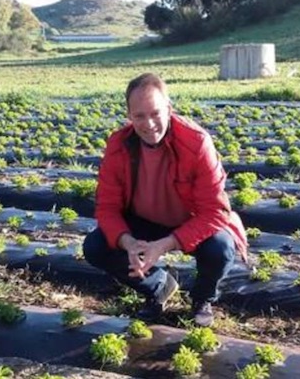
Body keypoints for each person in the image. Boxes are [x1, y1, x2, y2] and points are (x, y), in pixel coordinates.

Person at [83, 72, 248, 327]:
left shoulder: (196, 143)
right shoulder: (119, 145)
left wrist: (165, 245)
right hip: (142, 220)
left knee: (220, 249)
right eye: (139, 116)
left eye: (155, 113)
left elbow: (215, 212)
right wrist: (128, 243)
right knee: (95, 246)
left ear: (168, 109)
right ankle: (157, 286)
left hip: (190, 221)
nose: (148, 124)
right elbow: (107, 207)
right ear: (129, 116)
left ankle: (202, 299)